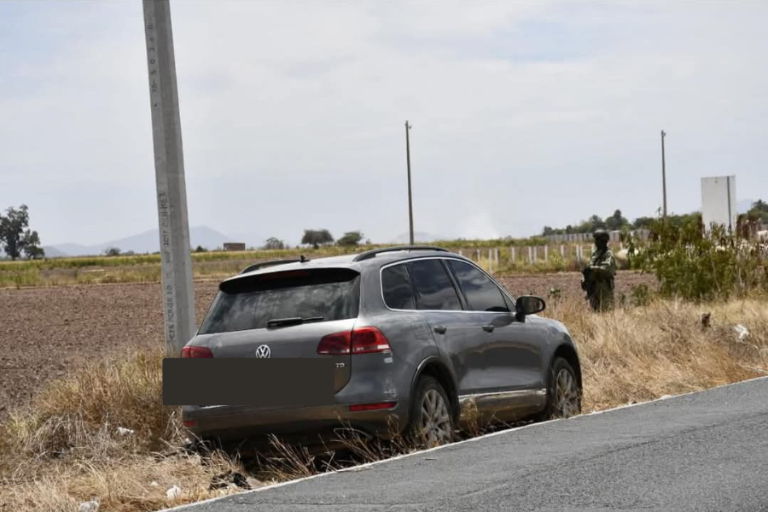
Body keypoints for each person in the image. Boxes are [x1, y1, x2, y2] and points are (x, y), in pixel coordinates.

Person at [581, 229, 616, 311]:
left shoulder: (608, 253)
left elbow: (607, 268)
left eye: (597, 240)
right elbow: (590, 267)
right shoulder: (595, 254)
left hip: (604, 286)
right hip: (593, 286)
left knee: (606, 310)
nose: (595, 242)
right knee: (595, 311)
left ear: (603, 241)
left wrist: (593, 268)